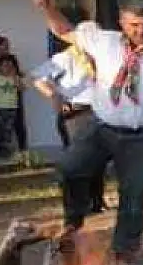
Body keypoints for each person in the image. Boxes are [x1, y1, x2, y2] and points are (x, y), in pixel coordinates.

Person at [34, 0, 143, 265]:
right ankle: (73, 222)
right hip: (102, 128)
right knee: (70, 166)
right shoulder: (104, 41)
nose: (141, 31)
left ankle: (125, 250)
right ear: (122, 23)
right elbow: (63, 30)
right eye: (134, 25)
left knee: (134, 193)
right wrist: (48, 7)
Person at [32, 44, 109, 213]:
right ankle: (80, 202)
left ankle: (96, 200)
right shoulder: (66, 57)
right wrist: (54, 96)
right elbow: (38, 78)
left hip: (100, 111)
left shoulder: (102, 56)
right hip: (76, 112)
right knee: (80, 160)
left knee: (98, 159)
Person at [0, 54, 24, 157]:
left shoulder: (15, 78)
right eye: (4, 65)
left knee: (8, 129)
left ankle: (5, 149)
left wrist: (14, 77)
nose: (7, 68)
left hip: (11, 107)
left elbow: (21, 89)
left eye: (10, 66)